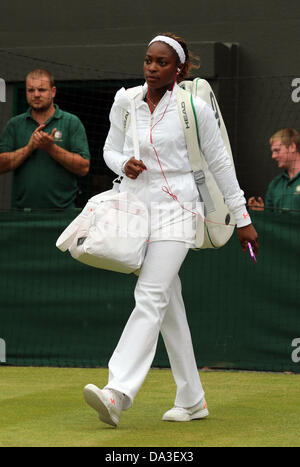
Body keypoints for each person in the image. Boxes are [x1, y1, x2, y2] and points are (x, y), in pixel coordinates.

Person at [83, 32, 259, 427]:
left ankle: (117, 391)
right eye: (148, 60)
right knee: (167, 305)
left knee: (149, 295)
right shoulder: (125, 100)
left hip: (180, 212)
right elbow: (110, 149)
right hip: (135, 211)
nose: (152, 67)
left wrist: (242, 218)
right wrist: (122, 163)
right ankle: (193, 399)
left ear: (178, 69)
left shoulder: (194, 107)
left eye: (162, 62)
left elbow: (221, 164)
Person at [0, 69, 90, 209]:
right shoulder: (15, 124)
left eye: (41, 90)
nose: (36, 95)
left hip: (64, 213)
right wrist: (29, 148)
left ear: (53, 92)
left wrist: (51, 148)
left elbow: (84, 167)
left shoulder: (71, 122)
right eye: (31, 90)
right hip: (23, 213)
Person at [248, 128, 300, 212]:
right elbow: (271, 222)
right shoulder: (275, 184)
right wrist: (262, 213)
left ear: (292, 147)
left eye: (277, 150)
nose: (273, 156)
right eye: (273, 152)